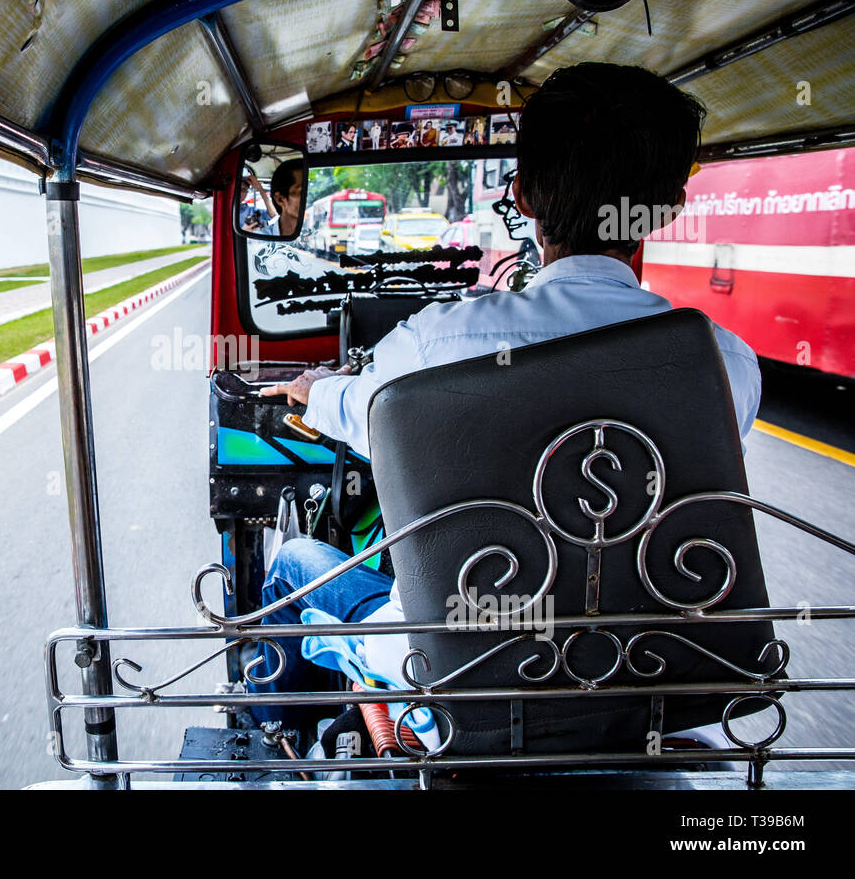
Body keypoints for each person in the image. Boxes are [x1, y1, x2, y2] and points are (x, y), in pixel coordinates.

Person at [248, 62, 761, 724]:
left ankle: (283, 752)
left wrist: (316, 389)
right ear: (666, 208)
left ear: (520, 196)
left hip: (451, 689)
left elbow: (360, 413)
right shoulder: (727, 364)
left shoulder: (436, 344)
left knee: (294, 560)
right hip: (650, 684)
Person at [246, 159, 305, 237]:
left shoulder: (313, 237)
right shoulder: (261, 241)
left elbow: (273, 214)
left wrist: (260, 188)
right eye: (301, 192)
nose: (308, 197)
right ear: (280, 199)